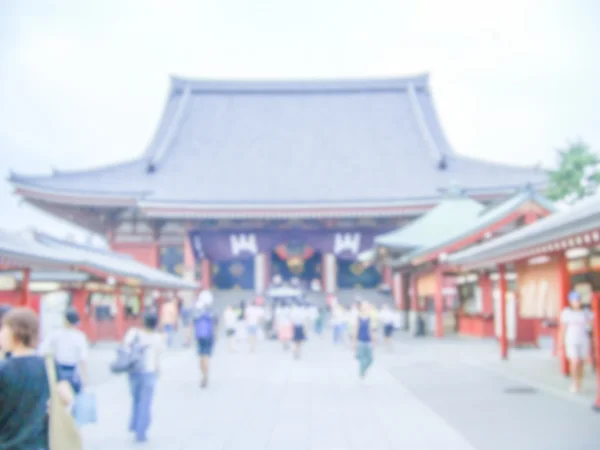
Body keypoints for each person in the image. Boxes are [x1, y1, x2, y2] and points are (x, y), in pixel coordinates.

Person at [0, 307, 72, 449]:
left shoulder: (4, 369)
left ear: (15, 333)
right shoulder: (48, 365)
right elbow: (67, 397)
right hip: (40, 444)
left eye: (3, 330)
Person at [124, 311, 165, 443]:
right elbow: (159, 358)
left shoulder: (133, 333)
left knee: (135, 399)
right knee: (145, 402)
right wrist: (159, 371)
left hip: (134, 370)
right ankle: (141, 431)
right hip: (149, 371)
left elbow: (125, 348)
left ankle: (134, 425)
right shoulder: (158, 338)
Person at [39, 308, 89, 395]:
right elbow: (83, 358)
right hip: (73, 372)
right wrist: (85, 377)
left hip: (58, 371)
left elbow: (42, 350)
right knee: (75, 397)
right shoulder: (80, 336)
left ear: (65, 320)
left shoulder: (56, 334)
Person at [559, 291, 593, 393]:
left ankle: (579, 381)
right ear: (570, 301)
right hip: (571, 340)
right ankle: (574, 382)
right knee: (575, 361)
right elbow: (563, 328)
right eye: (575, 300)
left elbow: (591, 326)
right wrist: (561, 342)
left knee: (581, 362)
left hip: (583, 339)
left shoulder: (586, 312)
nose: (577, 302)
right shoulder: (566, 313)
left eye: (578, 300)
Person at [193, 298, 217, 388]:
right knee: (206, 356)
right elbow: (215, 326)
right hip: (209, 337)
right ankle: (205, 375)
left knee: (201, 357)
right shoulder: (211, 315)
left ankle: (203, 374)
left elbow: (192, 325)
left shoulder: (197, 315)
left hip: (200, 337)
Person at [354, 302, 376, 379]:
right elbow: (356, 331)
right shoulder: (358, 318)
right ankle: (362, 372)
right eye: (364, 307)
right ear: (361, 308)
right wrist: (355, 343)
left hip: (368, 341)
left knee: (370, 359)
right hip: (360, 341)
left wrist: (373, 341)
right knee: (362, 358)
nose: (365, 308)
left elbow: (371, 331)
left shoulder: (370, 318)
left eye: (367, 307)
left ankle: (363, 370)